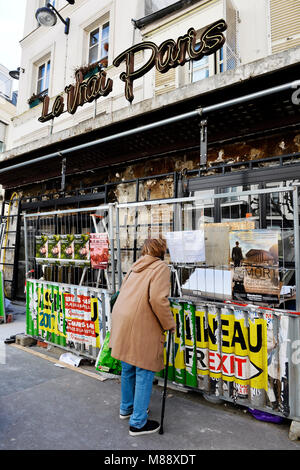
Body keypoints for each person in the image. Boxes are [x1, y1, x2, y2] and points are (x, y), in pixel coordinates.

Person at [109, 237, 175, 436]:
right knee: (145, 370)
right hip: (141, 322)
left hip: (122, 319)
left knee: (128, 366)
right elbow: (157, 299)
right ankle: (137, 422)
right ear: (161, 251)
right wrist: (169, 324)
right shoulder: (161, 267)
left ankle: (126, 408)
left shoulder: (134, 266)